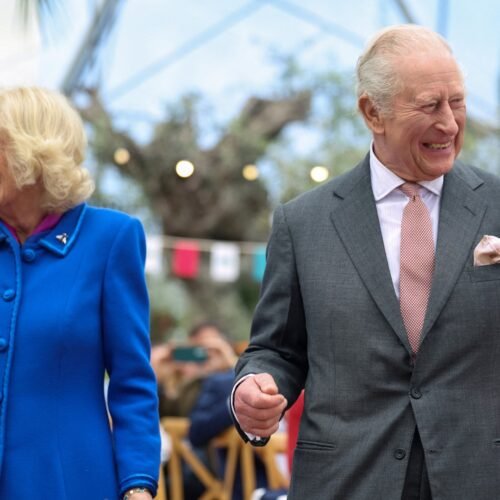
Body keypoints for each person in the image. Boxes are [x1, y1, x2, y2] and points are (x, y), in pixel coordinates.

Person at [231, 24, 500, 499]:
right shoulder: (303, 222)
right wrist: (253, 388)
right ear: (373, 112)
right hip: (346, 480)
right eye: (429, 105)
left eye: (457, 102)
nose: (450, 124)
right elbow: (278, 350)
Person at [0, 86, 160, 499]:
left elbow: (132, 380)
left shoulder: (110, 238)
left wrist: (138, 486)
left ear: (34, 152)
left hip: (69, 483)